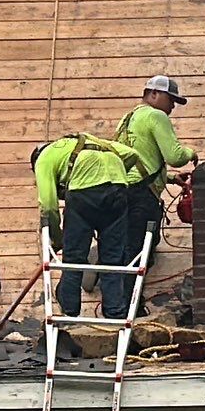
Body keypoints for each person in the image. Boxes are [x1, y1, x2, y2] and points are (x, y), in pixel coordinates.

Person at [32, 133, 144, 319]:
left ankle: (69, 314)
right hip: (118, 191)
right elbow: (132, 154)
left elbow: (48, 205)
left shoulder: (44, 157)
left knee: (74, 259)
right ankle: (115, 315)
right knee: (113, 261)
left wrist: (57, 237)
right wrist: (111, 175)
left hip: (83, 194)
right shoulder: (93, 140)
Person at [114, 75, 199, 265]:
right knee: (139, 252)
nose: (172, 107)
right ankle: (129, 295)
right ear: (154, 93)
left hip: (121, 191)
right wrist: (191, 153)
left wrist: (169, 178)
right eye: (171, 99)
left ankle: (117, 290)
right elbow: (175, 156)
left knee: (125, 247)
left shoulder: (127, 119)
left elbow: (138, 158)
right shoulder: (155, 115)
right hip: (141, 196)